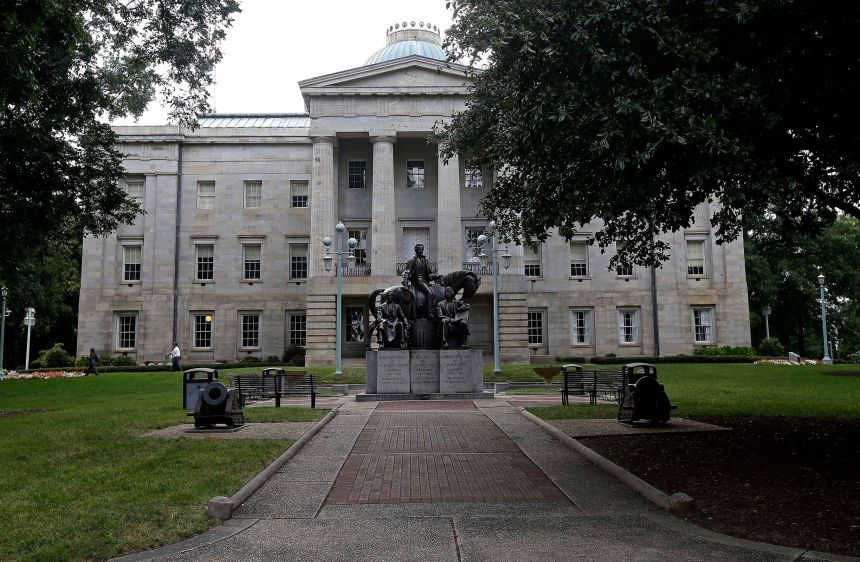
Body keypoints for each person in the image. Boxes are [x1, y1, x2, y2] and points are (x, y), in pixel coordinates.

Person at [401, 243, 439, 318]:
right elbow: (406, 272)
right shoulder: (412, 260)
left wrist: (436, 276)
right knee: (429, 293)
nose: (421, 251)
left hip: (425, 281)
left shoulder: (426, 260)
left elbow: (429, 274)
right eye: (419, 249)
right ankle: (429, 313)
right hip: (418, 281)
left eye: (422, 249)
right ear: (416, 250)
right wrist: (405, 283)